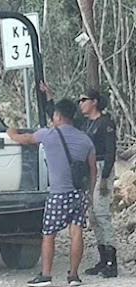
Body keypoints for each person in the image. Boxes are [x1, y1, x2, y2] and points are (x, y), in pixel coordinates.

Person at [7, 99, 97, 287]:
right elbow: (92, 169)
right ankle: (73, 276)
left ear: (58, 116)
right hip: (78, 193)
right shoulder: (85, 138)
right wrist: (89, 193)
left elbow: (25, 139)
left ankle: (46, 275)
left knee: (49, 233)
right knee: (76, 232)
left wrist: (11, 131)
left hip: (58, 193)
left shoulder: (48, 135)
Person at [42, 83, 118, 278]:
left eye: (83, 100)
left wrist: (104, 178)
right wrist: (50, 98)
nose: (80, 104)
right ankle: (103, 259)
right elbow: (60, 119)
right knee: (92, 216)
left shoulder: (105, 123)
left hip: (101, 168)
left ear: (94, 102)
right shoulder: (84, 124)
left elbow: (110, 152)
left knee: (101, 214)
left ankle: (111, 260)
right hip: (88, 170)